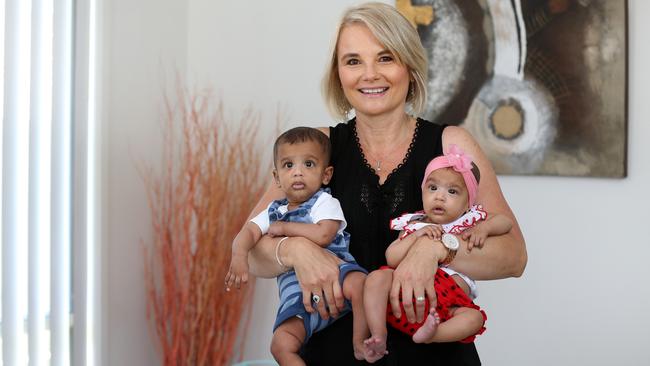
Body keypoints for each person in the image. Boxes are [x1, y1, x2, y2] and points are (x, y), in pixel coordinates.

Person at [245, 2, 527, 364]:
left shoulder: (451, 144)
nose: (369, 74)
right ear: (338, 74)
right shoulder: (316, 147)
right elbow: (253, 254)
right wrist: (296, 250)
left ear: (409, 66)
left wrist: (436, 248)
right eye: (353, 61)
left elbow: (514, 257)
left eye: (385, 58)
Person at [225, 127, 369, 365]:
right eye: (288, 165)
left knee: (362, 283)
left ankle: (360, 342)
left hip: (338, 277)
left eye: (309, 164)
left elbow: (324, 234)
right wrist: (238, 254)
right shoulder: (274, 210)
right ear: (277, 178)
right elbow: (248, 232)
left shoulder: (324, 201)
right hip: (300, 299)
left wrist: (285, 229)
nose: (298, 172)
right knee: (281, 345)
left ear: (326, 174)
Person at [362, 144, 513, 363]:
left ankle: (433, 334)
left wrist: (484, 228)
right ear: (422, 191)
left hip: (447, 304)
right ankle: (378, 334)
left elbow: (505, 222)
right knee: (376, 278)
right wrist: (415, 236)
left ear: (467, 203)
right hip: (402, 295)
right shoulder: (414, 223)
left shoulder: (467, 222)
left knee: (474, 318)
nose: (440, 197)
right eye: (433, 188)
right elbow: (391, 257)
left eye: (452, 191)